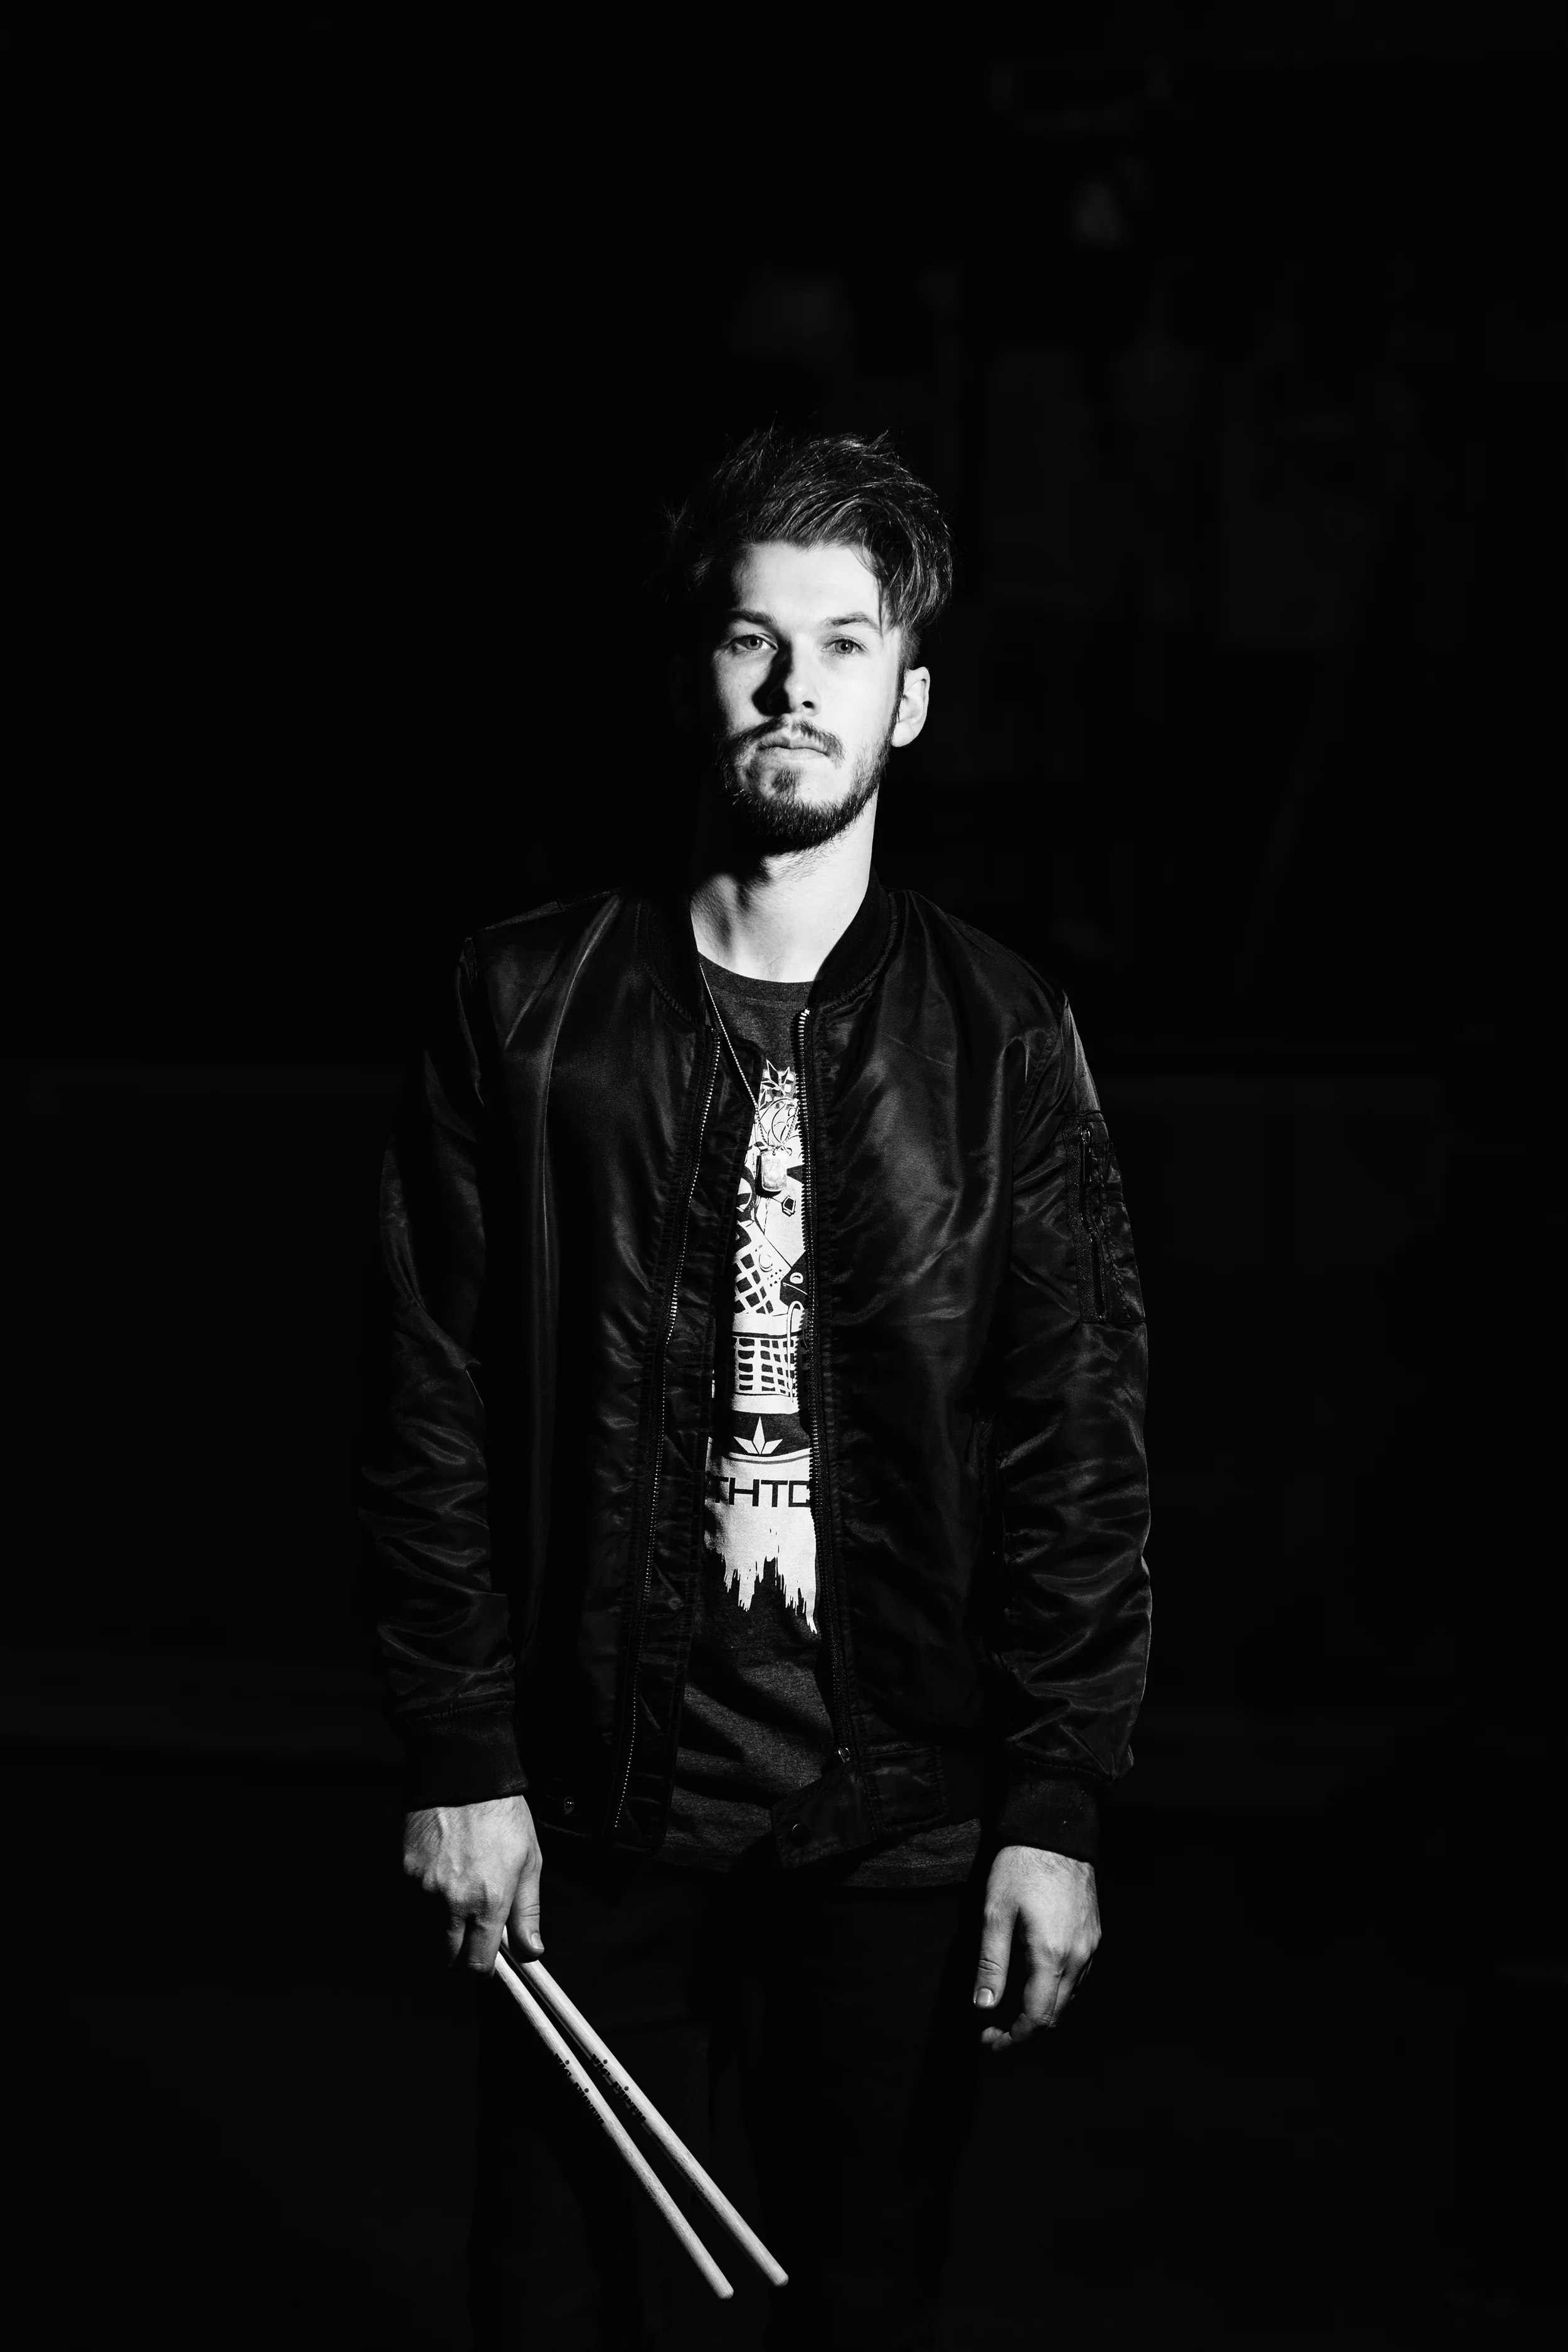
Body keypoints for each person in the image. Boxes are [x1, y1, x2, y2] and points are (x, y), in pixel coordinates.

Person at [359, 428, 1152, 2350]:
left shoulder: (1001, 1034)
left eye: (845, 643)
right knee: (556, 2301)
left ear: (908, 699)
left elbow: (1079, 1436)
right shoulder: (521, 1006)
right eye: (750, 638)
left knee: (853, 2305)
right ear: (691, 672)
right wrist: (463, 1754)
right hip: (590, 1804)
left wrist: (1053, 1798)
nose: (795, 686)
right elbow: (426, 1401)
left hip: (896, 1822)